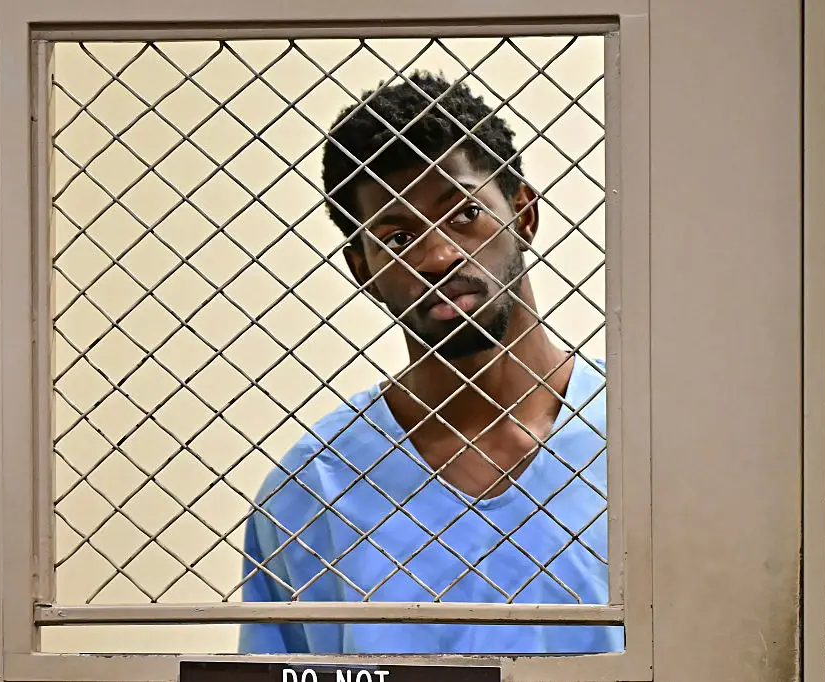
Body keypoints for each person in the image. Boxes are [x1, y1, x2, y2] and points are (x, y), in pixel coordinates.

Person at [237, 71, 620, 655]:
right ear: (361, 269)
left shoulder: (642, 437)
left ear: (524, 216)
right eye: (395, 236)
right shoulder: (310, 490)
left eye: (465, 213)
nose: (438, 255)